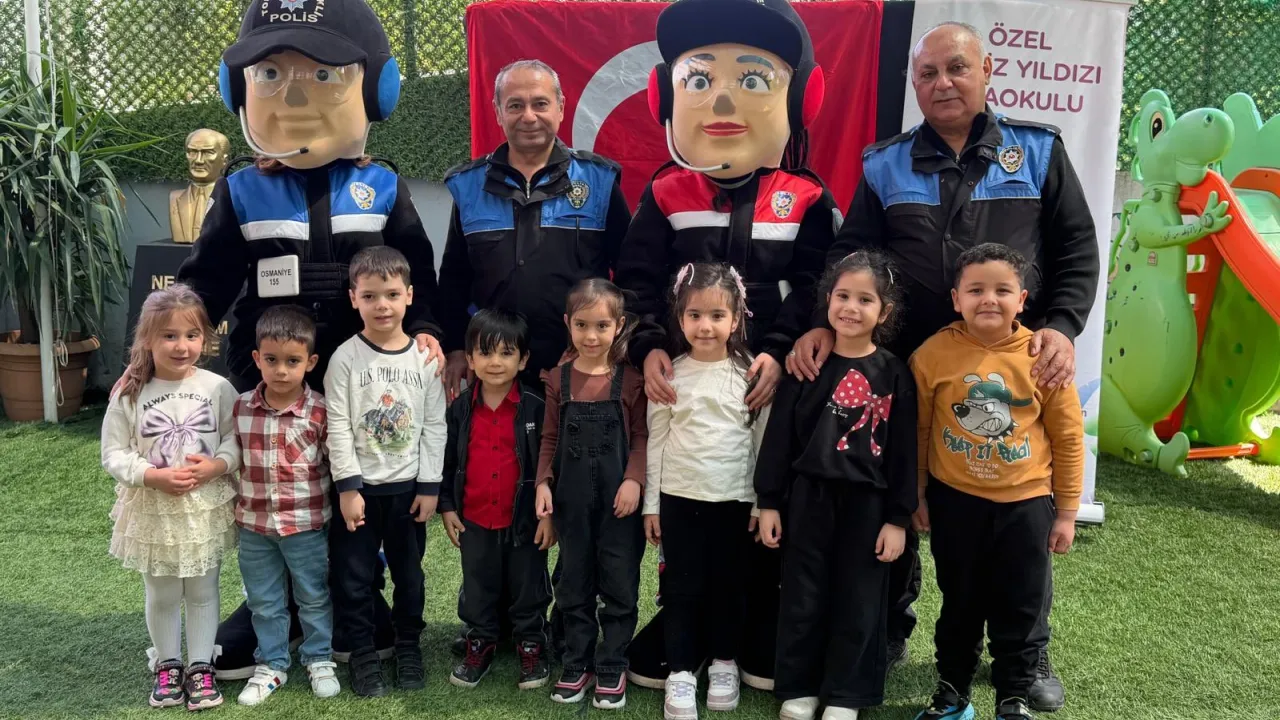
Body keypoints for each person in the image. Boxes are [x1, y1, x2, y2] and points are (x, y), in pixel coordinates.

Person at [786, 22, 1099, 710]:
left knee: (1016, 527)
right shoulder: (885, 164)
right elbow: (851, 255)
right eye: (927, 73)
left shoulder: (1038, 151)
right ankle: (891, 625)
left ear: (986, 71)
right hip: (906, 370)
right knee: (897, 499)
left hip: (1014, 369)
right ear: (914, 84)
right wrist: (823, 323)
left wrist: (1061, 326)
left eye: (956, 68)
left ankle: (1027, 654)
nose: (942, 83)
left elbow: (1076, 247)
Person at [187, 0, 443, 675]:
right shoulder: (242, 191)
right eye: (271, 74)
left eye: (324, 74)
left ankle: (357, 603)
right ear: (237, 89)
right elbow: (204, 284)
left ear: (377, 88)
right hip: (270, 378)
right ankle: (274, 608)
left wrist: (430, 333)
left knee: (359, 488)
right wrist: (155, 349)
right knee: (279, 490)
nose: (295, 96)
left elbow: (418, 276)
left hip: (366, 379)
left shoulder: (382, 184)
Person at [618, 0, 841, 690]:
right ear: (665, 96)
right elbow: (636, 282)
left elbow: (819, 287)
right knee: (689, 508)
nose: (720, 100)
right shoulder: (665, 191)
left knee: (767, 505)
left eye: (750, 80)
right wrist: (648, 345)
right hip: (688, 383)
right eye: (698, 80)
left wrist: (777, 348)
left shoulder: (806, 196)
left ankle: (757, 628)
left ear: (800, 98)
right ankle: (685, 628)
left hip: (782, 380)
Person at [909, 244, 1082, 720]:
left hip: (1026, 507)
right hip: (955, 503)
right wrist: (918, 493)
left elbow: (1068, 438)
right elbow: (919, 432)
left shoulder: (1043, 357)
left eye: (1002, 290)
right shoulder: (932, 355)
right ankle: (952, 693)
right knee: (959, 604)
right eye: (976, 290)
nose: (989, 299)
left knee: (1021, 608)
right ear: (955, 298)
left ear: (1022, 299)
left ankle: (1014, 699)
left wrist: (1067, 513)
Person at [754, 251, 917, 720]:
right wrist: (769, 502)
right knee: (802, 596)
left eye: (865, 299)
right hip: (807, 501)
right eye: (842, 295)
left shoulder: (894, 373)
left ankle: (846, 695)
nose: (851, 307)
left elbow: (904, 451)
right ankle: (800, 687)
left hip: (868, 505)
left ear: (884, 312)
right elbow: (780, 438)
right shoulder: (805, 366)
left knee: (860, 601)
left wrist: (898, 519)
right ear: (827, 299)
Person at [439, 59, 632, 399]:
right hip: (498, 369)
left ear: (560, 108)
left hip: (580, 367)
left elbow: (630, 275)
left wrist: (613, 347)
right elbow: (454, 279)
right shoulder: (469, 186)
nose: (528, 116)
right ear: (498, 112)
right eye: (515, 105)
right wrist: (455, 347)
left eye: (540, 103)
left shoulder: (598, 182)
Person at [102, 284, 241, 711]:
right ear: (147, 338)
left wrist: (217, 466)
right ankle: (168, 664)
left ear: (205, 338)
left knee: (203, 589)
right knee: (162, 592)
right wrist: (152, 476)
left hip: (204, 509)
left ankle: (200, 666)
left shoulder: (218, 388)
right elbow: (113, 453)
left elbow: (236, 439)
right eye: (169, 336)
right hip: (154, 510)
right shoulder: (129, 393)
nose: (182, 346)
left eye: (191, 335)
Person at [642, 263, 769, 720]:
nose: (705, 326)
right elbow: (656, 442)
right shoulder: (669, 375)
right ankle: (680, 673)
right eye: (694, 315)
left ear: (736, 319)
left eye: (717, 316)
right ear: (680, 318)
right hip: (679, 500)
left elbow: (759, 443)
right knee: (681, 589)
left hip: (734, 501)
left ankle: (724, 664)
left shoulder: (751, 375)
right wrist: (652, 505)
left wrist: (760, 502)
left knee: (729, 588)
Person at [323, 246, 448, 697]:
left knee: (409, 577)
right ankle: (362, 653)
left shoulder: (425, 359)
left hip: (408, 492)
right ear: (353, 298)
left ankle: (408, 645)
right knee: (353, 579)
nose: (382, 306)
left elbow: (434, 425)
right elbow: (337, 425)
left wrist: (430, 486)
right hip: (360, 494)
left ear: (409, 296)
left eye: (392, 295)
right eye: (370, 296)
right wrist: (348, 488)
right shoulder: (344, 359)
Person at [535, 279, 648, 709]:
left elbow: (641, 438)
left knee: (619, 585)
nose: (592, 335)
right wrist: (543, 484)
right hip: (571, 504)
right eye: (582, 325)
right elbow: (549, 438)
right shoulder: (557, 380)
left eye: (602, 325)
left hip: (621, 507)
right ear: (568, 324)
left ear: (619, 326)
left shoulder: (631, 381)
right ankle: (576, 662)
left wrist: (634, 479)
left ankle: (612, 663)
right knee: (573, 585)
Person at [439, 309, 557, 690]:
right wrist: (447, 506)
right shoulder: (459, 410)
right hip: (474, 519)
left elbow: (548, 464)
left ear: (523, 359)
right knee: (478, 586)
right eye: (486, 352)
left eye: (507, 353)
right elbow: (448, 462)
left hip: (524, 520)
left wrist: (548, 516)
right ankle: (480, 642)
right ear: (470, 359)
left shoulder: (536, 407)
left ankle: (531, 644)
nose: (495, 362)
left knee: (529, 587)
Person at [230, 305, 339, 705]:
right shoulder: (240, 408)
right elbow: (231, 459)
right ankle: (272, 664)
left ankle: (319, 658)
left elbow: (336, 464)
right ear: (256, 358)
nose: (280, 370)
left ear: (310, 362)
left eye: (292, 361)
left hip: (306, 526)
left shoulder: (320, 411)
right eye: (271, 360)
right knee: (264, 601)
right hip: (254, 527)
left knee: (313, 595)